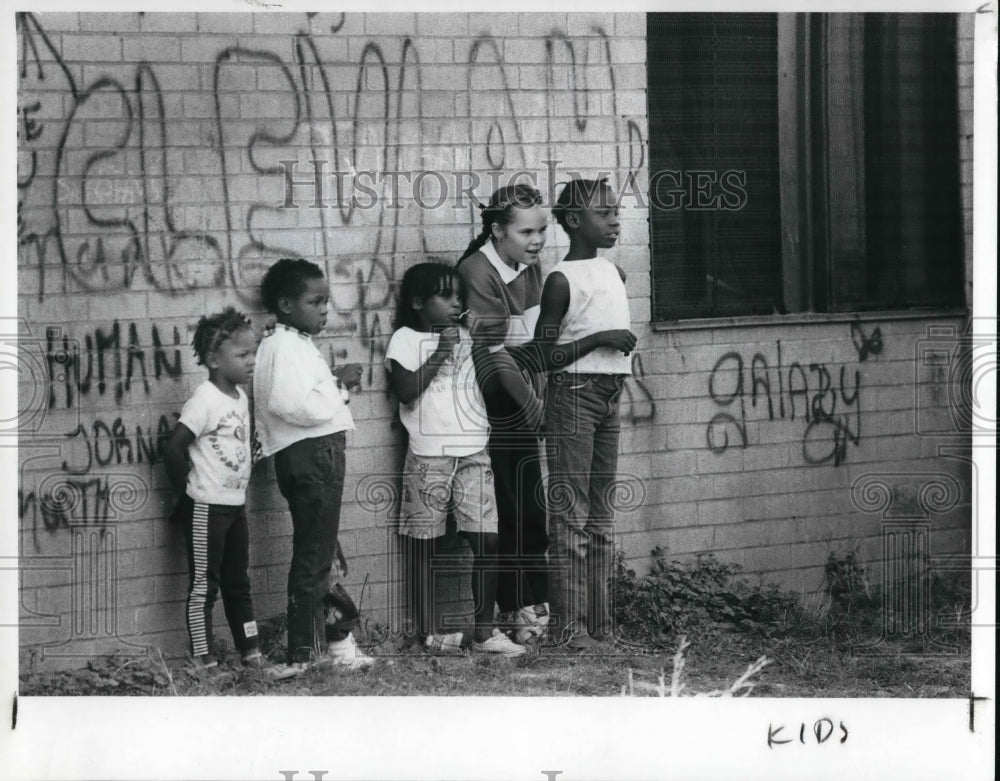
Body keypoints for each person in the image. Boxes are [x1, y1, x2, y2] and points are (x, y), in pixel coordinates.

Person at [386, 262, 526, 657]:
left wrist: (481, 338)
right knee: (423, 546)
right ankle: (428, 633)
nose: (455, 304)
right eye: (445, 296)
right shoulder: (405, 339)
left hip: (474, 451)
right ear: (417, 302)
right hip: (428, 457)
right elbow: (406, 391)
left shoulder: (467, 335)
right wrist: (441, 351)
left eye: (459, 297)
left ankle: (484, 631)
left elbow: (490, 376)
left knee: (487, 539)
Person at [164, 307, 299, 680]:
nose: (251, 361)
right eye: (242, 355)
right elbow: (174, 448)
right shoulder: (204, 399)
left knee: (239, 583)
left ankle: (251, 654)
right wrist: (185, 494)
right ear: (213, 360)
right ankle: (204, 662)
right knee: (204, 587)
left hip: (235, 507)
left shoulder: (239, 397)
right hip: (206, 507)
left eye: (253, 352)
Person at [532, 178, 637, 651]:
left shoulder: (610, 271)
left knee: (601, 516)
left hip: (610, 393)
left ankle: (599, 627)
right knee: (570, 517)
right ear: (575, 222)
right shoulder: (559, 280)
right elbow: (540, 356)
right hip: (574, 394)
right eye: (604, 212)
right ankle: (567, 631)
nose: (615, 218)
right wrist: (598, 339)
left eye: (616, 210)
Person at [253, 258, 373, 669]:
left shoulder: (291, 343)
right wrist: (339, 384)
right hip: (311, 455)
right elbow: (292, 404)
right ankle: (302, 653)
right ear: (286, 305)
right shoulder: (283, 346)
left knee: (325, 555)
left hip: (313, 453)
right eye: (315, 301)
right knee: (314, 559)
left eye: (326, 301)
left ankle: (338, 642)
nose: (325, 309)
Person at [455, 184, 551, 644]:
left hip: (523, 398)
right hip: (493, 406)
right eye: (526, 231)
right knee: (508, 510)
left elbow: (532, 345)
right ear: (497, 231)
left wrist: (538, 394)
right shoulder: (476, 272)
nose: (537, 240)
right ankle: (514, 610)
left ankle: (538, 600)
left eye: (542, 230)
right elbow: (492, 356)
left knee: (532, 508)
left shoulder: (530, 269)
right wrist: (533, 406)